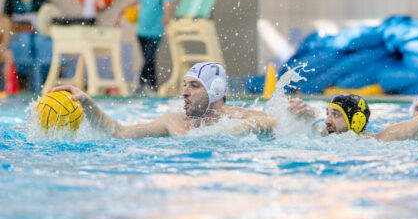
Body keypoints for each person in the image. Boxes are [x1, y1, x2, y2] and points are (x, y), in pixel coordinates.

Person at [288, 45, 418, 142]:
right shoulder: (318, 137)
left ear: (357, 121)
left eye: (335, 114)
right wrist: (304, 122)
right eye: (328, 113)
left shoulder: (381, 141)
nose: (327, 120)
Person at [49, 62, 275, 138]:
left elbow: (281, 127)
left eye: (194, 86)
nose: (184, 92)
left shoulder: (245, 118)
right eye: (185, 85)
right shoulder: (172, 122)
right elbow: (118, 133)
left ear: (215, 91)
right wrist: (88, 103)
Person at [115, 0, 174, 95]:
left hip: (156, 32)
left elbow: (167, 4)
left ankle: (140, 85)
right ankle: (154, 86)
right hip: (141, 31)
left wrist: (167, 16)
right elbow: (132, 2)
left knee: (148, 58)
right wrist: (119, 15)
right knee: (149, 60)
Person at [0, 14, 13, 88]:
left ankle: (7, 86)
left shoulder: (5, 21)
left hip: (1, 50)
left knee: (9, 54)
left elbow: (6, 42)